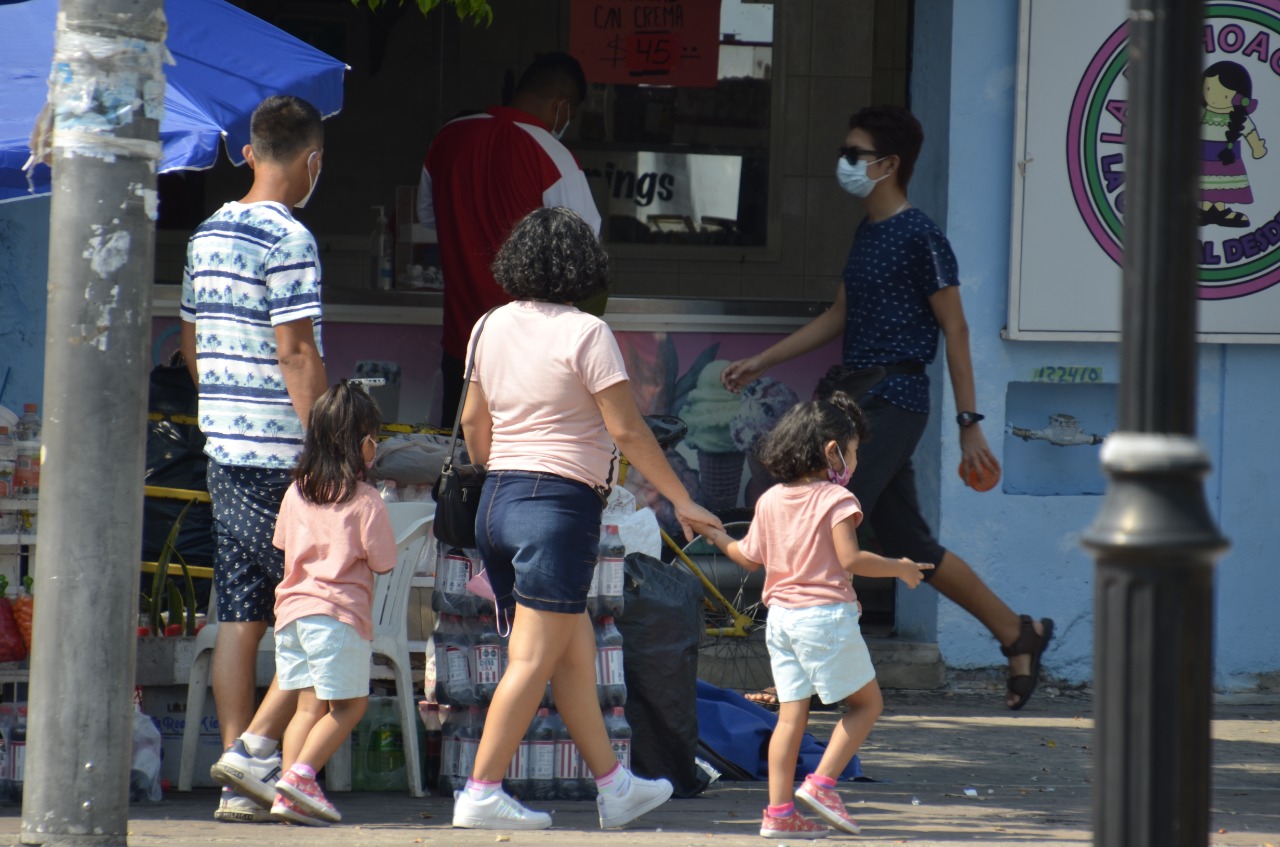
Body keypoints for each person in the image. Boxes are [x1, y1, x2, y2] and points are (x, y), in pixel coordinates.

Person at [721, 105, 1054, 712]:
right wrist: (762, 360)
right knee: (908, 540)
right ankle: (1017, 632)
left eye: (855, 153)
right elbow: (839, 315)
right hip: (856, 398)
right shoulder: (868, 231)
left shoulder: (921, 235)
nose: (844, 163)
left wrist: (970, 423)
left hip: (894, 400)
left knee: (825, 526)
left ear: (889, 164)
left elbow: (955, 329)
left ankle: (805, 680)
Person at [450, 207, 723, 831]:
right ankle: (481, 792)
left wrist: (505, 476)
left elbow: (471, 422)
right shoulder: (588, 333)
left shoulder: (488, 325)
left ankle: (614, 787)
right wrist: (681, 499)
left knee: (571, 654)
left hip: (497, 503)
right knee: (531, 659)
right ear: (584, 266)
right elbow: (626, 429)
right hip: (557, 509)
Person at [688, 393, 932, 839]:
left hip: (781, 621)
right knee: (867, 704)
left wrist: (715, 534)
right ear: (832, 451)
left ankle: (779, 814)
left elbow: (746, 557)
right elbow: (851, 558)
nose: (855, 462)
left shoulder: (771, 499)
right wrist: (899, 567)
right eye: (853, 451)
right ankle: (822, 785)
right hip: (824, 619)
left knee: (790, 718)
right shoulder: (836, 499)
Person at [179, 94, 328, 821]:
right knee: (316, 606)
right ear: (312, 162)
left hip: (224, 449)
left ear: (248, 153)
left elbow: (190, 344)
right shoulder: (289, 237)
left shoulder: (205, 233)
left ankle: (240, 772)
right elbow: (297, 352)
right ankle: (263, 756)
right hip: (282, 456)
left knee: (241, 612)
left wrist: (225, 409)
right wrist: (329, 442)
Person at [212, 382, 396, 826]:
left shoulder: (296, 491)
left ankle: (288, 795)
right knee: (350, 707)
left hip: (292, 617)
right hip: (338, 618)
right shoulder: (366, 499)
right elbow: (384, 561)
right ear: (361, 445)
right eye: (374, 440)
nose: (376, 448)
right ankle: (301, 777)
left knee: (307, 707)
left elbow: (282, 542)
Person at [417, 52, 602, 426]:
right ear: (563, 106)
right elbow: (584, 253)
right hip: (531, 355)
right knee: (524, 456)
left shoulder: (448, 138)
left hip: (462, 345)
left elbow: (426, 217)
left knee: (457, 452)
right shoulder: (553, 155)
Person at [1200, 60, 1267, 228]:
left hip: (1228, 160)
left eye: (1224, 95)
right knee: (1205, 185)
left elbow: (1250, 133)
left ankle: (1219, 211)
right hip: (1203, 157)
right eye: (1208, 89)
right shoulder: (1201, 113)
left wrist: (1257, 147)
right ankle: (1207, 210)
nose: (1214, 98)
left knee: (1221, 187)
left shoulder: (1239, 118)